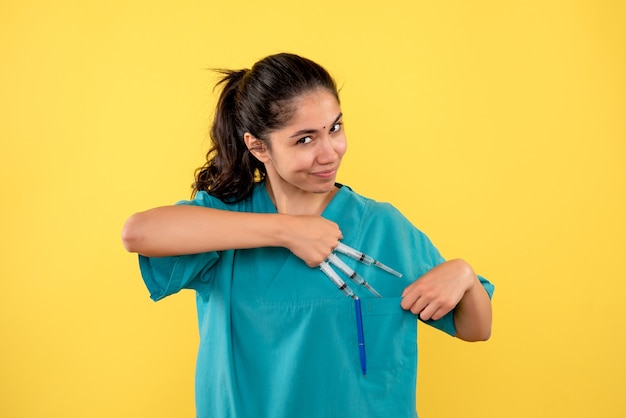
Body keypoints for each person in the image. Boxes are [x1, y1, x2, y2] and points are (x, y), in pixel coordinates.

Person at [122, 52, 494, 418]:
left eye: (334, 128)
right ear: (258, 146)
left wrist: (464, 277)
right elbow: (138, 232)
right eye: (305, 139)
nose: (329, 153)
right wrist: (286, 231)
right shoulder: (226, 226)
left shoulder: (381, 227)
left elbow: (474, 329)